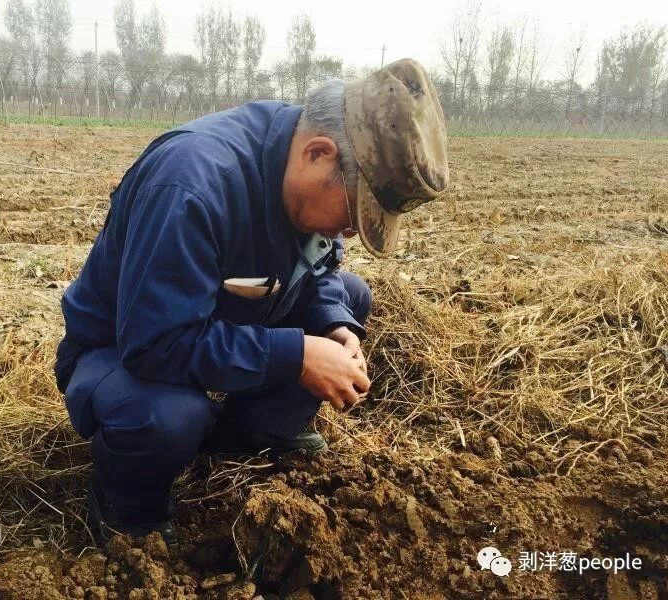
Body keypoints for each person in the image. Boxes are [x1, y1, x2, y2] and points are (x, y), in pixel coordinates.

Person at [55, 58, 449, 546]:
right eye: (352, 212)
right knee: (170, 416)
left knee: (350, 298)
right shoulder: (192, 185)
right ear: (319, 155)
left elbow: (322, 263)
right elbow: (154, 343)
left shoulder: (297, 155)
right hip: (120, 349)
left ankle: (247, 436)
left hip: (213, 320)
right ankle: (129, 507)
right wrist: (296, 356)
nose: (348, 231)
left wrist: (331, 326)